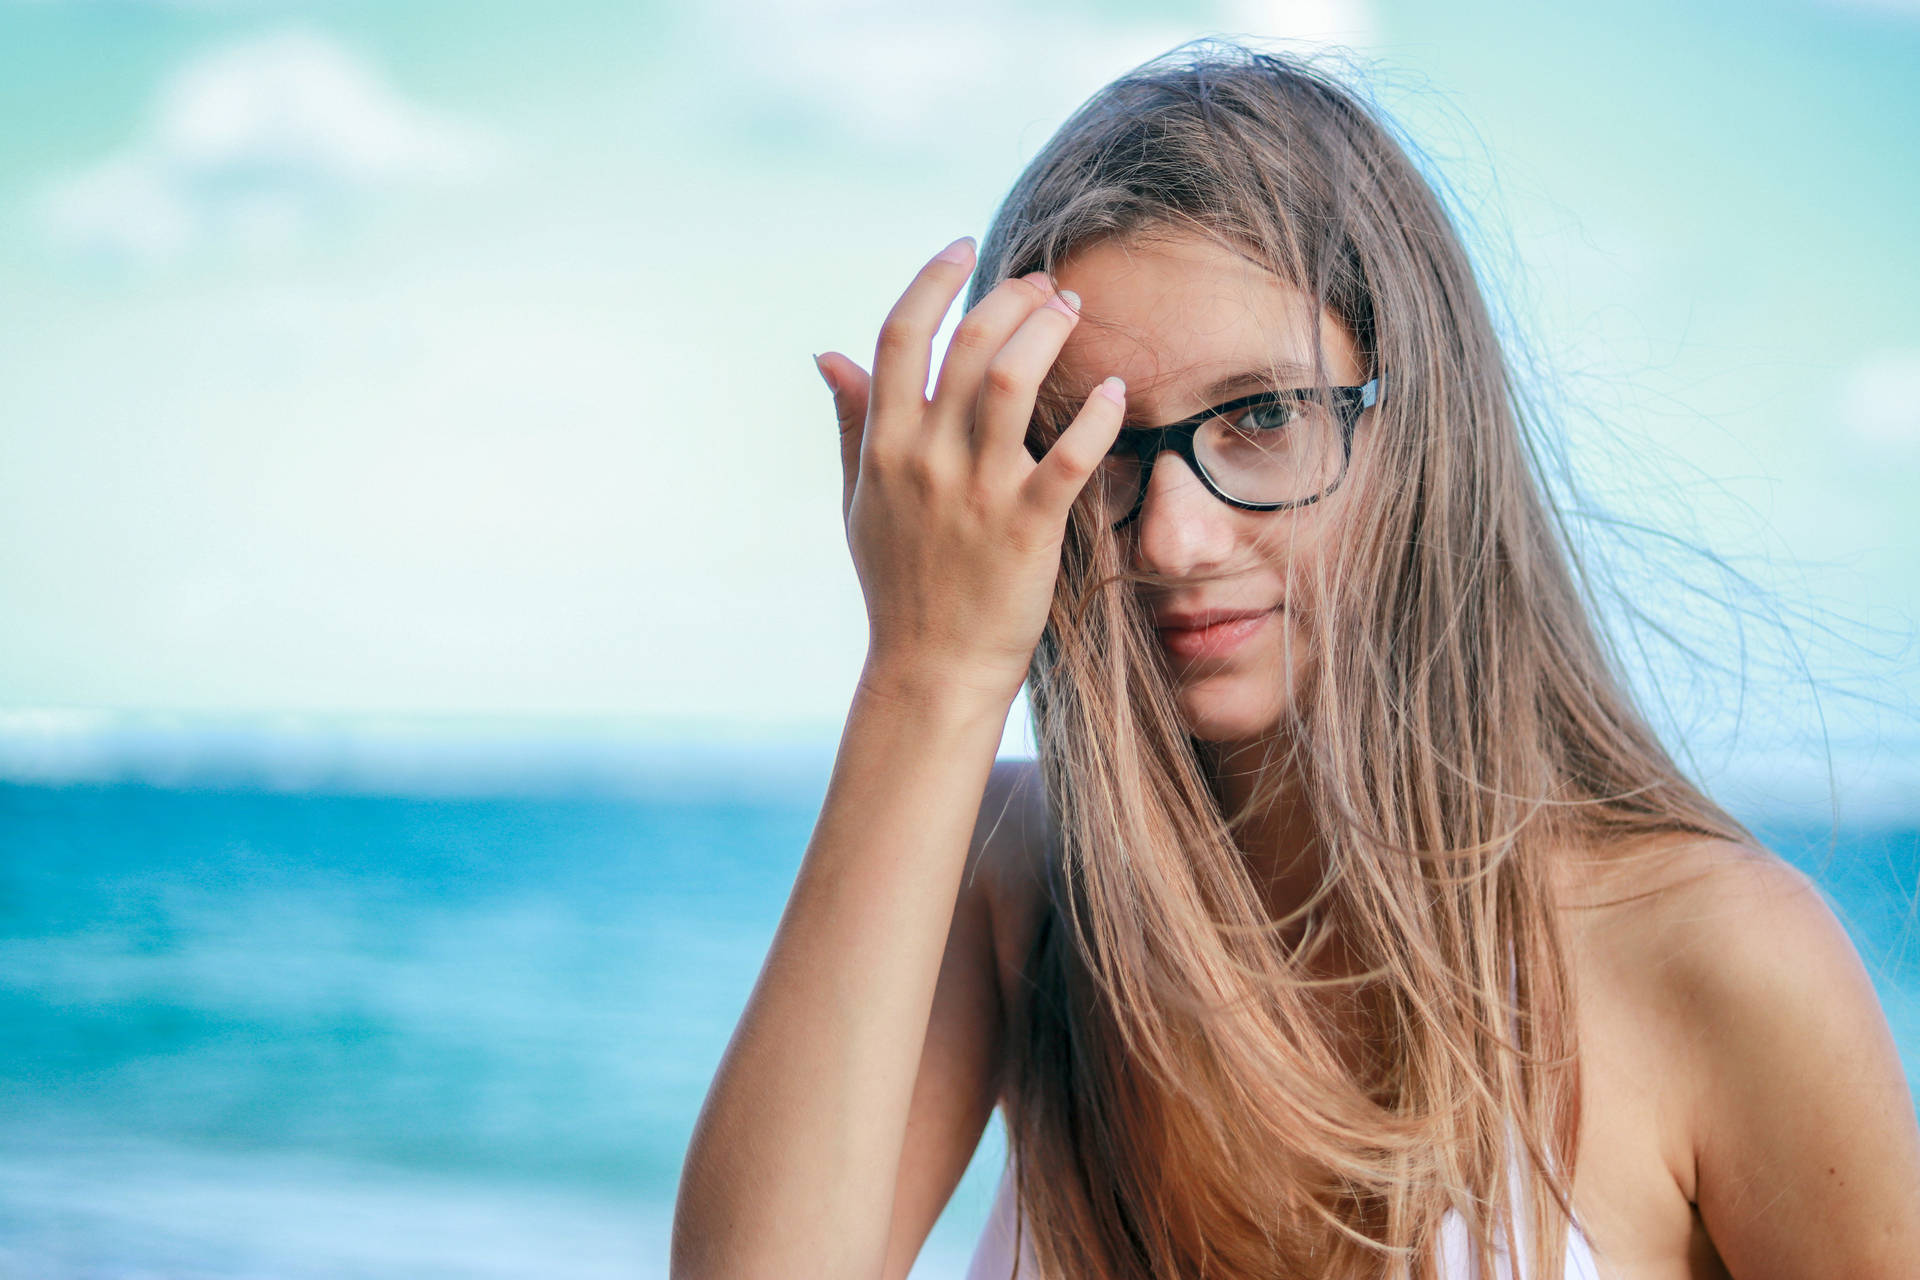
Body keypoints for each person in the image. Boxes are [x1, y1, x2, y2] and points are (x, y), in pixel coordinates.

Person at [670, 40, 1920, 1280]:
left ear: (1422, 433)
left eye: (1261, 418)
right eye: (1090, 447)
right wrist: (927, 674)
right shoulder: (1023, 887)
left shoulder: (1714, 957)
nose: (1172, 535)